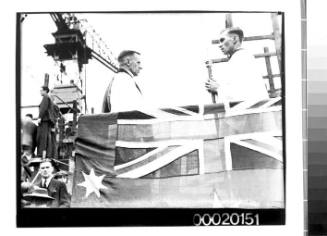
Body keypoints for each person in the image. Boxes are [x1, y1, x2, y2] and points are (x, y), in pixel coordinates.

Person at [205, 27, 269, 103]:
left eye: (222, 40)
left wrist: (218, 89)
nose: (219, 45)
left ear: (235, 39)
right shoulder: (237, 58)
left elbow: (246, 92)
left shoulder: (243, 58)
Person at [36, 86, 55, 158]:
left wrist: (40, 117)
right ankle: (47, 154)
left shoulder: (45, 97)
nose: (40, 92)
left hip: (44, 119)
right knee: (47, 137)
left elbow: (43, 108)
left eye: (41, 90)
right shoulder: (48, 97)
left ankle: (42, 153)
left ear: (45, 91)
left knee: (43, 137)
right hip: (48, 120)